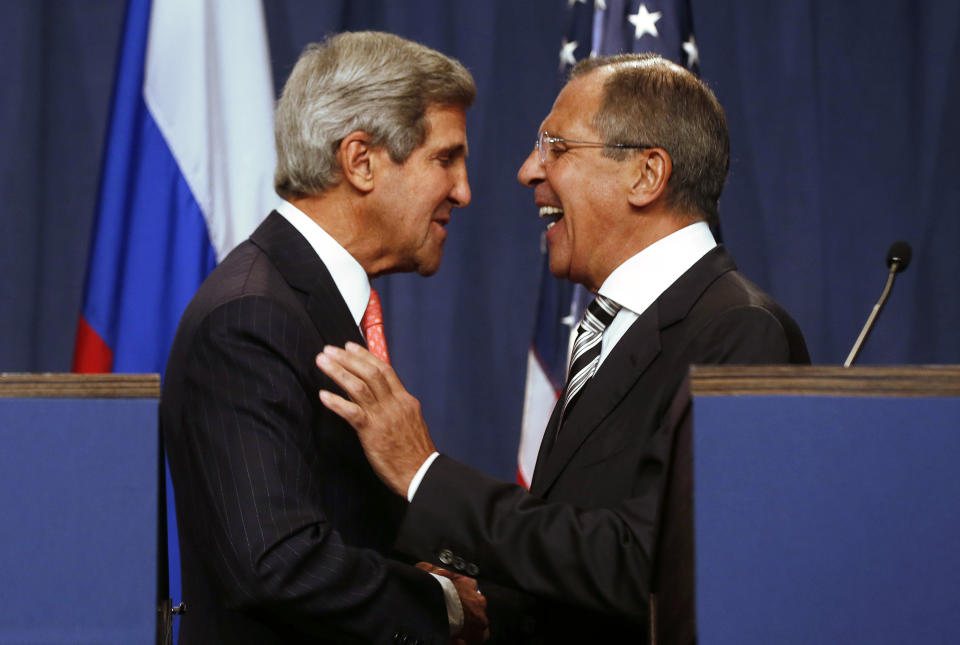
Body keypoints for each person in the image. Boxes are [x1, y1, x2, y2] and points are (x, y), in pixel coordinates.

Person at [316, 53, 811, 643]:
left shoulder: (739, 333)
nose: (529, 170)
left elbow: (646, 569)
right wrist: (471, 606)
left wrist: (426, 474)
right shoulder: (616, 326)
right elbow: (579, 564)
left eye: (556, 147)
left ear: (646, 175)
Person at [160, 31, 488, 644]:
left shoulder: (309, 301)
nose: (464, 191)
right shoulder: (251, 317)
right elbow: (274, 562)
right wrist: (439, 602)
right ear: (360, 160)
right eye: (445, 159)